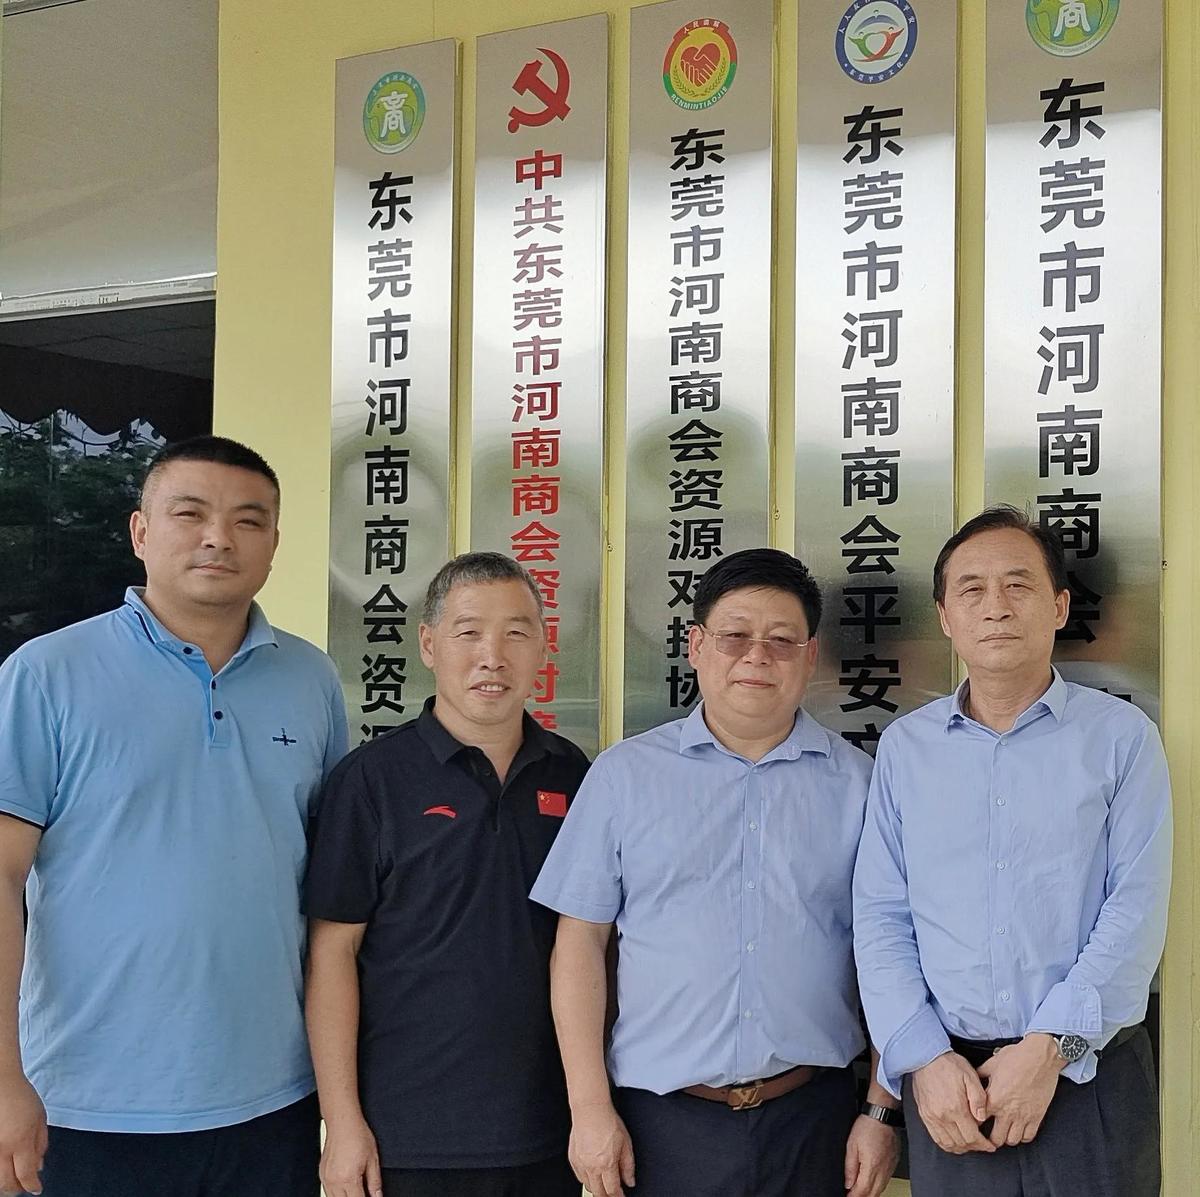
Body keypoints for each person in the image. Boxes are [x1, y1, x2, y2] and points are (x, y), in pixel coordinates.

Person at [0, 435, 350, 1197]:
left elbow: (333, 885)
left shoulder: (311, 678)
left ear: (274, 544)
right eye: (190, 513)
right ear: (140, 531)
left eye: (248, 520)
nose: (219, 537)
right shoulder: (46, 673)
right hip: (89, 1100)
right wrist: (3, 1077)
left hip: (274, 1095)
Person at [530, 548, 900, 1197]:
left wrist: (880, 1109)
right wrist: (588, 1109)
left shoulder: (860, 785)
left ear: (810, 656)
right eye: (735, 636)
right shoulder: (624, 776)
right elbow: (580, 942)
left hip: (813, 1120)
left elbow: (892, 949)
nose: (757, 656)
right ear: (697, 645)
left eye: (781, 640)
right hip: (659, 1125)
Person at [853, 505, 1171, 1196]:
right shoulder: (906, 749)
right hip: (951, 1086)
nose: (995, 606)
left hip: (1087, 1078)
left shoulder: (1122, 738)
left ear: (1059, 605)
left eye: (1018, 584)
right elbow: (880, 916)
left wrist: (1052, 1049)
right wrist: (923, 1058)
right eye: (971, 589)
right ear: (945, 616)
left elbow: (1136, 910)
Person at [303, 552, 590, 1197]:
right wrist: (342, 1124)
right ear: (429, 645)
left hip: (546, 1128)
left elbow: (592, 946)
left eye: (516, 633)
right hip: (407, 1134)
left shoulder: (573, 775)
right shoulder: (371, 781)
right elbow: (332, 955)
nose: (493, 657)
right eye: (469, 633)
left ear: (543, 647)